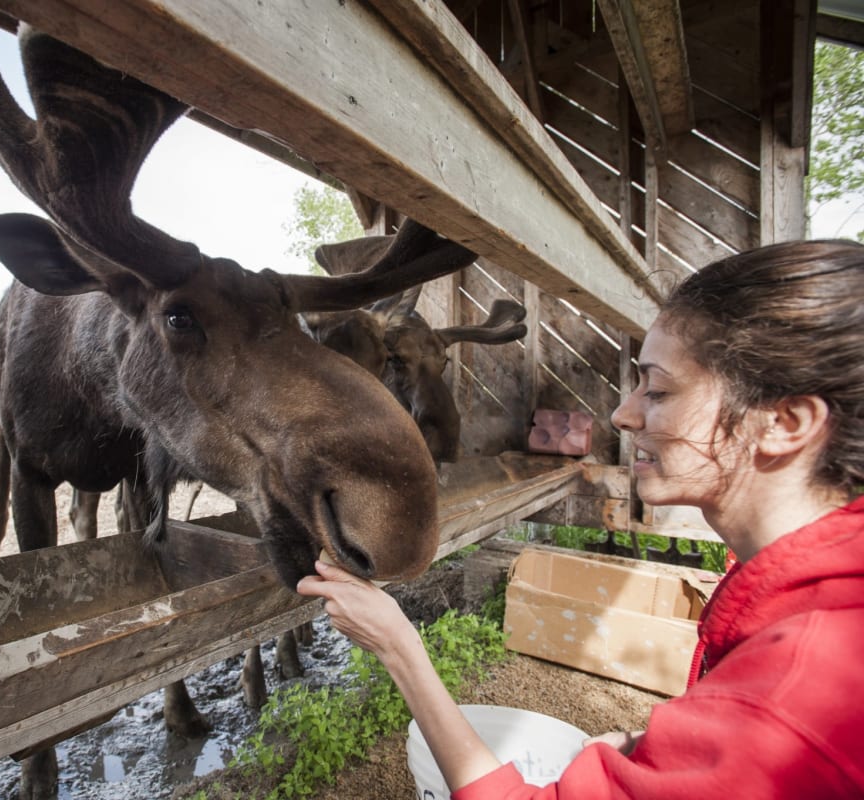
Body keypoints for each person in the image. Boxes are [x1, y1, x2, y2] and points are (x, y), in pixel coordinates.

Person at [297, 239, 864, 798]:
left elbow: (772, 728)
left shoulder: (794, 693)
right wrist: (661, 751)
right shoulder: (808, 598)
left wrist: (399, 645)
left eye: (659, 391)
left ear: (784, 423)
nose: (622, 414)